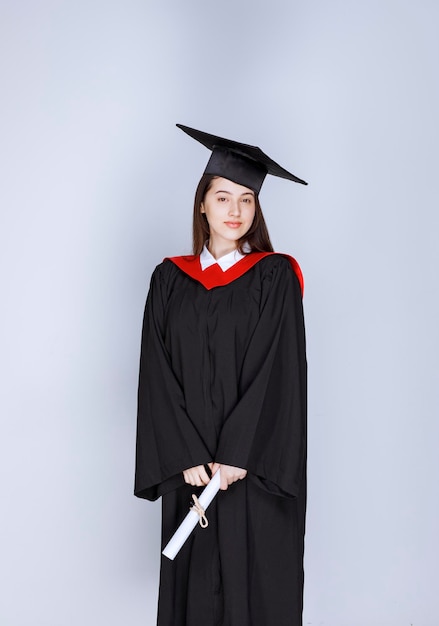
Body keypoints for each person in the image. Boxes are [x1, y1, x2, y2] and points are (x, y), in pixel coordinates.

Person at [134, 124, 308, 626]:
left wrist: (237, 455)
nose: (235, 211)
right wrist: (184, 453)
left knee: (255, 589)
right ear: (203, 205)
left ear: (256, 211)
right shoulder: (169, 279)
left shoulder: (274, 278)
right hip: (191, 475)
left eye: (247, 200)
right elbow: (156, 371)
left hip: (251, 474)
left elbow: (279, 373)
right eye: (223, 197)